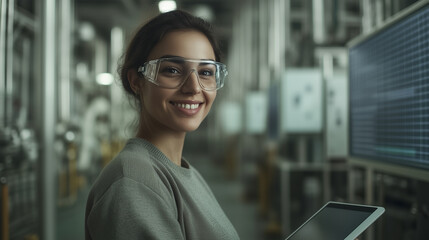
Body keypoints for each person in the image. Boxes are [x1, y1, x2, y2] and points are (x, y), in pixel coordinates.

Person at [84, 10, 240, 240]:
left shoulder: (183, 172)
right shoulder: (133, 183)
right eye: (172, 70)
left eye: (206, 72)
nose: (194, 88)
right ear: (136, 81)